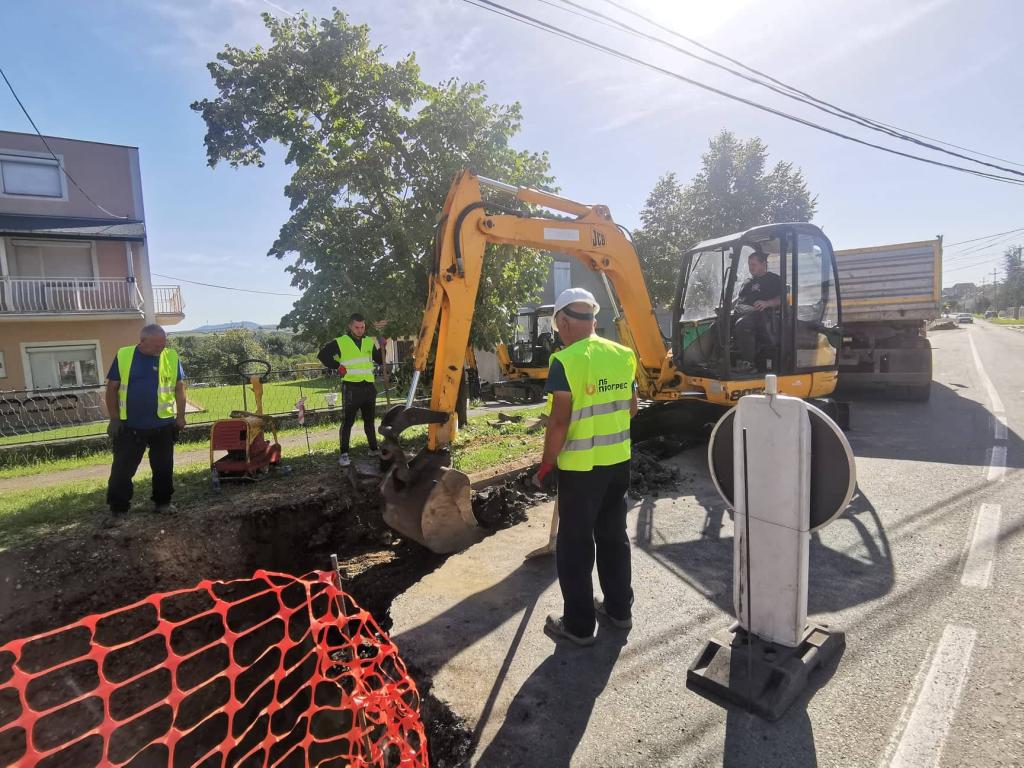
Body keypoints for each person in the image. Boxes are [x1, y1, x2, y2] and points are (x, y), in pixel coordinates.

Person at [533, 287, 638, 646]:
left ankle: (578, 626)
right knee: (613, 535)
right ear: (593, 318)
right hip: (618, 463)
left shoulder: (565, 360)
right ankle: (619, 610)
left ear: (563, 322)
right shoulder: (624, 355)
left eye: (559, 327)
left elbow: (559, 422)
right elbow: (632, 408)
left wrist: (547, 463)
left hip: (580, 469)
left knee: (575, 544)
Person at [105, 324, 186, 516]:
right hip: (130, 426)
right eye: (157, 345)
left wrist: (181, 416)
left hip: (163, 425)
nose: (161, 348)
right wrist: (114, 418)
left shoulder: (171, 356)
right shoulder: (125, 356)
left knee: (163, 468)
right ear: (142, 341)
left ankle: (163, 503)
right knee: (122, 470)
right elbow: (111, 389)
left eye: (163, 344)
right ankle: (119, 509)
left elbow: (179, 388)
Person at [318, 313, 388, 467]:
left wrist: (383, 346)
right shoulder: (341, 342)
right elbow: (322, 355)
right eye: (357, 327)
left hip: (369, 387)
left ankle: (373, 449)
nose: (360, 330)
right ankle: (344, 453)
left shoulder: (369, 341)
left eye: (362, 327)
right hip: (351, 387)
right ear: (350, 326)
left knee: (369, 421)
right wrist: (337, 366)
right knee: (348, 422)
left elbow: (379, 360)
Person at [733, 247, 784, 372]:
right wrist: (725, 307)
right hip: (744, 312)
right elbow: (739, 299)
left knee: (742, 324)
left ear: (764, 264)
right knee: (718, 324)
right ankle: (716, 360)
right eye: (749, 265)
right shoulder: (748, 282)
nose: (751, 267)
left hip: (764, 316)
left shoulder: (774, 280)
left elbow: (782, 299)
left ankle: (749, 364)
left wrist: (767, 303)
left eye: (753, 264)